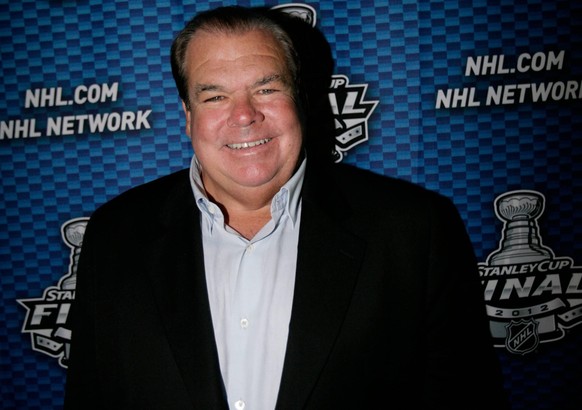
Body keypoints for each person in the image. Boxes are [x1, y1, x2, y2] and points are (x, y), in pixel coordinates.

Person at [64, 6, 510, 410]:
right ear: (186, 114)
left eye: (266, 88)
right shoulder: (116, 235)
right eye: (215, 95)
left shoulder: (415, 231)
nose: (244, 115)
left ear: (300, 98)